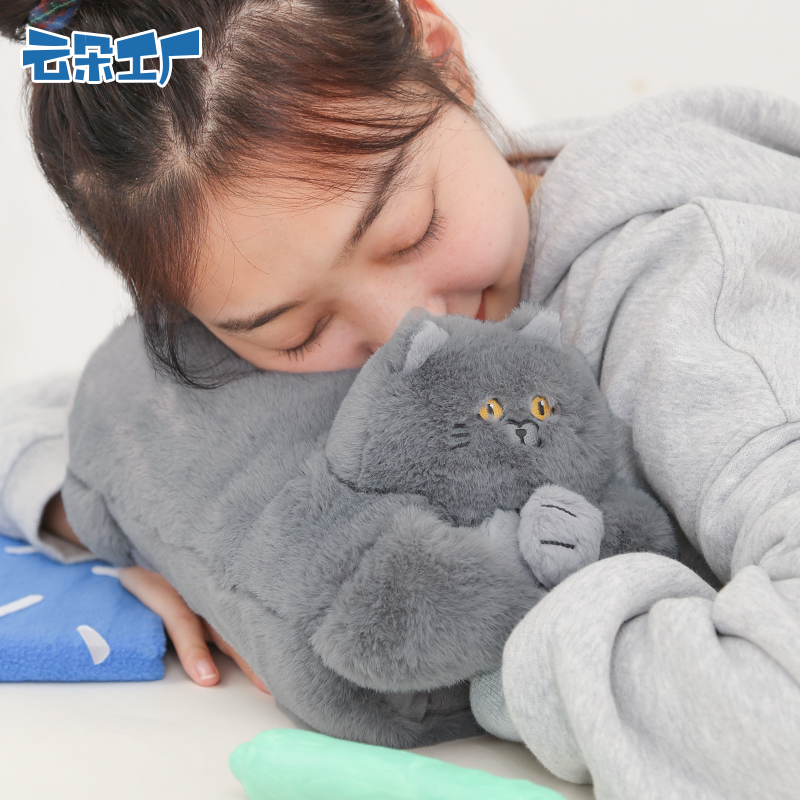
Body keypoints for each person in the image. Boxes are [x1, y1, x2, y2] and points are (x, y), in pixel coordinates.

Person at [1, 0, 799, 796]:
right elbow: (41, 412)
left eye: (412, 230)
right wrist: (140, 538)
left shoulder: (692, 306)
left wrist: (499, 657)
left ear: (442, 53)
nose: (403, 328)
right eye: (297, 330)